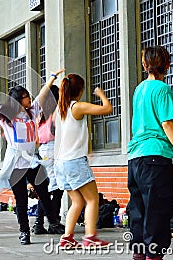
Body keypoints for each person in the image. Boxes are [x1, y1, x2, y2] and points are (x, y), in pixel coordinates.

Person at [0, 68, 65, 245]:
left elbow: (43, 95)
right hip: (16, 165)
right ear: (18, 99)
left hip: (33, 162)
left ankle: (53, 221)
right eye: (26, 96)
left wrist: (52, 78)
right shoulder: (6, 116)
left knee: (45, 192)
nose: (29, 98)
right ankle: (24, 232)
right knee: (21, 201)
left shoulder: (31, 112)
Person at [127, 46, 173, 260]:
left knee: (138, 211)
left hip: (135, 159)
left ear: (145, 65)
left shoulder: (139, 89)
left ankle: (140, 254)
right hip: (155, 157)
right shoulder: (162, 89)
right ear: (167, 64)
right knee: (157, 212)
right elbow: (167, 124)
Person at [53, 73, 112, 249]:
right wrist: (101, 94)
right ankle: (90, 237)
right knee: (93, 199)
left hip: (60, 164)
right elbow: (107, 109)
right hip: (74, 162)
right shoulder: (76, 107)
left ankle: (67, 238)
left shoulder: (60, 109)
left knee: (78, 201)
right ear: (79, 91)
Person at [32, 84, 64, 235]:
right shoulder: (56, 112)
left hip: (43, 151)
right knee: (57, 188)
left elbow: (36, 138)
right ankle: (53, 222)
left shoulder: (41, 115)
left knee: (46, 189)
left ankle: (40, 223)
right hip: (53, 149)